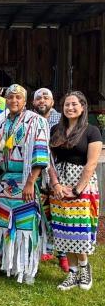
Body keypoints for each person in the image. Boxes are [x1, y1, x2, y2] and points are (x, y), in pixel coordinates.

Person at [0, 84, 50, 284]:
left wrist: (31, 182)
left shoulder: (35, 122)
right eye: (10, 97)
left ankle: (27, 268)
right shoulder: (1, 125)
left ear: (25, 101)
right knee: (3, 224)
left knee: (26, 225)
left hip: (25, 181)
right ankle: (7, 265)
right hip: (6, 182)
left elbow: (40, 152)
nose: (14, 101)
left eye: (18, 98)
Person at [49, 91, 102, 291]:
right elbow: (50, 161)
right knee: (64, 228)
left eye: (74, 104)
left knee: (79, 228)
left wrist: (77, 190)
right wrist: (55, 184)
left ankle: (84, 268)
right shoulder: (56, 129)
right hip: (59, 184)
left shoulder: (92, 131)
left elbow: (92, 163)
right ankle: (72, 273)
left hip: (81, 183)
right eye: (67, 105)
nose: (70, 108)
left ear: (82, 107)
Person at [32, 88, 69, 272]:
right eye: (38, 98)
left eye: (46, 97)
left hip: (56, 171)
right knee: (41, 212)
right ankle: (43, 248)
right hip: (37, 171)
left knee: (59, 213)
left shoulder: (62, 120)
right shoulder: (30, 119)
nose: (42, 100)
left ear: (53, 102)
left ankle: (63, 254)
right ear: (33, 103)